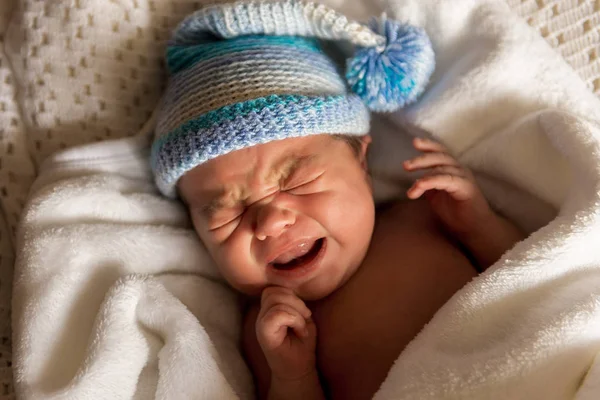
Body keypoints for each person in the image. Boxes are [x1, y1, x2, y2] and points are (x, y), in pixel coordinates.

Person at [150, 1, 525, 398]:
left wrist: (479, 225)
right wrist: (292, 376)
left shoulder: (424, 217)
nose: (270, 223)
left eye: (296, 181)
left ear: (360, 159)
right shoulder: (271, 330)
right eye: (229, 214)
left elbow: (527, 278)